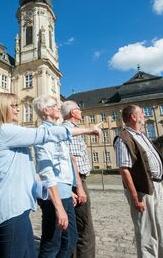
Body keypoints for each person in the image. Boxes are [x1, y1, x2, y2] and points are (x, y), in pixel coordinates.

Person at [0, 93, 99, 258]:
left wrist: (64, 189)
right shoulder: (4, 131)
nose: (18, 109)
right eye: (13, 106)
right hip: (9, 206)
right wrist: (88, 129)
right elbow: (43, 136)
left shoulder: (8, 134)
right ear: (2, 108)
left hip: (18, 206)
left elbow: (29, 174)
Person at [33, 95, 101, 258]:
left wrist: (70, 189)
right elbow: (47, 171)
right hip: (53, 196)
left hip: (64, 192)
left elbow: (63, 167)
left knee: (69, 239)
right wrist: (59, 205)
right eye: (54, 105)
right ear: (46, 110)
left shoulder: (55, 131)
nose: (58, 107)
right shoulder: (44, 133)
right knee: (52, 243)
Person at [113, 105, 163, 258]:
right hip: (142, 189)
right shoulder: (123, 139)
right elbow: (124, 169)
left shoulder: (141, 135)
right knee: (147, 233)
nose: (144, 115)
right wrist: (135, 197)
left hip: (156, 185)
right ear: (133, 117)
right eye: (141, 113)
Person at [61, 101, 97, 258]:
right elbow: (72, 159)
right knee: (85, 229)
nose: (81, 112)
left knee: (76, 226)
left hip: (76, 181)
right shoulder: (70, 130)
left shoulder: (71, 129)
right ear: (72, 113)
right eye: (78, 109)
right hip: (77, 181)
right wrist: (79, 187)